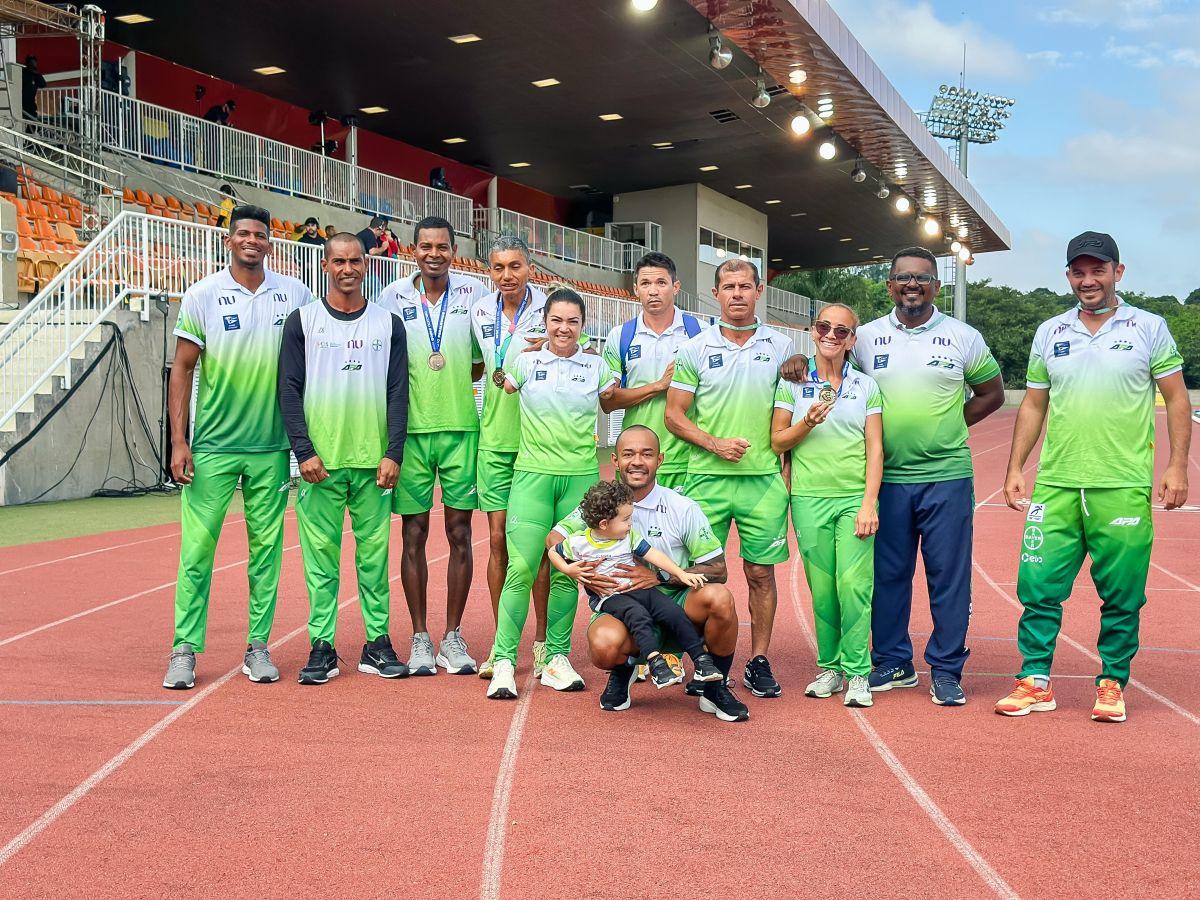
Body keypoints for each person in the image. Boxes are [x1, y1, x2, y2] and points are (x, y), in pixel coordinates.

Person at [995, 232, 1191, 723]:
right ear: (1068, 277)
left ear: (1117, 273)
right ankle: (1035, 680)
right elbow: (1034, 403)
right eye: (1078, 272)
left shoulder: (1149, 327)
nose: (1088, 280)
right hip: (1057, 483)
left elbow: (1178, 398)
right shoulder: (1050, 331)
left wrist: (1176, 465)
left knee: (1122, 592)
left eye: (1097, 270)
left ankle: (1111, 682)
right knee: (1037, 586)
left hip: (1121, 483)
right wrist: (1016, 466)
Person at [840, 247, 1004, 706]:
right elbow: (836, 380)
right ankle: (893, 661)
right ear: (889, 285)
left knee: (947, 576)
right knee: (888, 574)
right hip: (885, 478)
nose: (913, 285)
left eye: (923, 278)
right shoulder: (867, 338)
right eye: (903, 278)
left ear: (937, 285)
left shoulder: (962, 336)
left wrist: (949, 426)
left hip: (946, 475)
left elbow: (991, 392)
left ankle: (947, 669)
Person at [162, 205, 313, 690]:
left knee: (266, 552)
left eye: (260, 235)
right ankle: (184, 649)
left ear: (271, 242)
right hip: (212, 447)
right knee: (196, 552)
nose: (252, 240)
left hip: (270, 448)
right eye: (243, 233)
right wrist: (179, 441)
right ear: (229, 239)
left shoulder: (294, 294)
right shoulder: (203, 295)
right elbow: (182, 368)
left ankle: (258, 647)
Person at [278, 233, 409, 684]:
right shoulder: (303, 321)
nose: (348, 269)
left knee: (374, 560)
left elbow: (398, 391)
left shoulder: (389, 324)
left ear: (366, 265)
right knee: (321, 560)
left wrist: (394, 451)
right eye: (339, 261)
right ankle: (322, 646)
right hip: (320, 465)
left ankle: (377, 644)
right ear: (326, 265)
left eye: (355, 261)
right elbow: (288, 391)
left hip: (375, 465)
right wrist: (304, 452)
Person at [665, 259, 793, 698]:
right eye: (728, 286)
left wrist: (788, 468)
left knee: (760, 573)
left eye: (745, 286)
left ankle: (758, 660)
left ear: (759, 291)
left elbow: (793, 410)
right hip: (706, 478)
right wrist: (714, 443)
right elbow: (673, 414)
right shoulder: (695, 348)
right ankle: (705, 662)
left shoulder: (783, 346)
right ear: (715, 293)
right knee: (704, 575)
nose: (736, 293)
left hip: (762, 481)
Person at [485, 286, 618, 700]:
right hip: (532, 477)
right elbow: (499, 377)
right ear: (544, 322)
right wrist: (507, 367)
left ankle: (556, 658)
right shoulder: (526, 361)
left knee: (568, 572)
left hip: (579, 480)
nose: (564, 328)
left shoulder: (596, 367)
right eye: (556, 320)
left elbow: (616, 393)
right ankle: (504, 660)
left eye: (573, 321)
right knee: (521, 568)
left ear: (583, 325)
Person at [376, 216, 491, 675]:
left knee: (461, 534)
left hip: (463, 430)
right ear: (412, 250)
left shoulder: (475, 296)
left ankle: (453, 636)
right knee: (413, 535)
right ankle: (420, 637)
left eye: (442, 247)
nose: (434, 254)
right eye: (425, 246)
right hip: (411, 435)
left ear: (453, 248)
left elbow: (481, 364)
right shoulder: (391, 298)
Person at [578, 425, 748, 721]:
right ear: (615, 461)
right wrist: (575, 569)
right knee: (603, 644)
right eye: (628, 454)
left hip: (680, 605)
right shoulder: (599, 506)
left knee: (720, 599)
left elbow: (718, 568)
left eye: (647, 454)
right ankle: (622, 671)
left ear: (660, 459)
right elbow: (556, 541)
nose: (637, 461)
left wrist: (660, 577)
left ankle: (714, 686)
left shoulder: (682, 507)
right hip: (625, 608)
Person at [771, 304, 882, 709]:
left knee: (853, 586)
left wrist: (869, 502)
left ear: (852, 339)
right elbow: (778, 441)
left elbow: (875, 448)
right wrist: (808, 423)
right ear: (813, 332)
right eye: (824, 327)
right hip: (807, 498)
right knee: (822, 591)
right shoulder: (792, 384)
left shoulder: (866, 386)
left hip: (853, 497)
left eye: (841, 330)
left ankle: (857, 673)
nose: (831, 335)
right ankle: (830, 668)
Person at [469, 236, 555, 678]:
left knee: (536, 549)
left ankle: (542, 643)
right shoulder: (479, 311)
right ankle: (503, 646)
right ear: (491, 271)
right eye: (499, 267)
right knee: (499, 542)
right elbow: (477, 366)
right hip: (494, 442)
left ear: (531, 269)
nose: (507, 275)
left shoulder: (550, 312)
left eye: (515, 266)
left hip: (536, 444)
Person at [547, 479, 720, 689]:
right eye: (627, 519)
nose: (631, 524)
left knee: (672, 611)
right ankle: (655, 663)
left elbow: (654, 555)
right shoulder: (578, 542)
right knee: (639, 616)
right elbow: (553, 551)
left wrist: (681, 573)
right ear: (604, 524)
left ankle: (701, 660)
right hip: (612, 597)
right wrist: (568, 569)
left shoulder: (628, 538)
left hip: (638, 588)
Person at [601, 252, 703, 490]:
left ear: (675, 286)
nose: (653, 291)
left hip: (688, 461)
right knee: (631, 527)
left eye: (661, 283)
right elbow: (607, 402)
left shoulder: (700, 334)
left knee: (685, 528)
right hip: (635, 461)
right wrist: (659, 385)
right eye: (645, 284)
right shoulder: (621, 336)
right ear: (636, 289)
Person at [22, 56, 46, 122]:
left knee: (33, 121)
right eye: (32, 63)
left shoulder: (35, 75)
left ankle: (29, 132)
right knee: (28, 119)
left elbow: (43, 84)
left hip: (31, 103)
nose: (34, 65)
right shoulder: (23, 72)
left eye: (34, 63)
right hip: (22, 102)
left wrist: (37, 74)